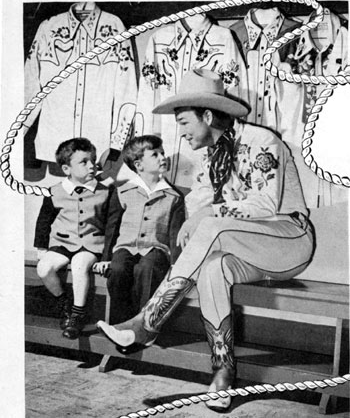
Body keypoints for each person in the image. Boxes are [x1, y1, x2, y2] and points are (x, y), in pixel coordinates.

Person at [96, 69, 315, 412]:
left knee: (213, 227)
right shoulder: (210, 154)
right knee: (214, 269)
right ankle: (222, 375)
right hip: (246, 249)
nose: (180, 133)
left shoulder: (262, 141)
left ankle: (147, 323)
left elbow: (264, 205)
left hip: (289, 240)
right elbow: (198, 199)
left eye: (183, 123)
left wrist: (208, 212)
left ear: (208, 115)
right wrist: (202, 212)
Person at [94, 135, 185, 325]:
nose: (162, 158)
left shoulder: (174, 196)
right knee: (118, 269)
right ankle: (120, 325)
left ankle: (143, 324)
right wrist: (106, 259)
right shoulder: (123, 191)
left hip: (156, 249)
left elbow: (175, 234)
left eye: (163, 153)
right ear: (139, 164)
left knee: (148, 268)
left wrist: (177, 265)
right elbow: (113, 227)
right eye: (155, 155)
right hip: (125, 247)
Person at [34, 138, 114, 340]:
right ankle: (65, 307)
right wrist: (41, 248)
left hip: (91, 244)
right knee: (44, 267)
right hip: (62, 243)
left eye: (93, 160)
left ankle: (78, 315)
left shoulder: (106, 191)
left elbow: (112, 225)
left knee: (79, 263)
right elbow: (44, 221)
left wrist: (106, 256)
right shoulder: (53, 192)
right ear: (66, 168)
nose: (92, 166)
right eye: (84, 162)